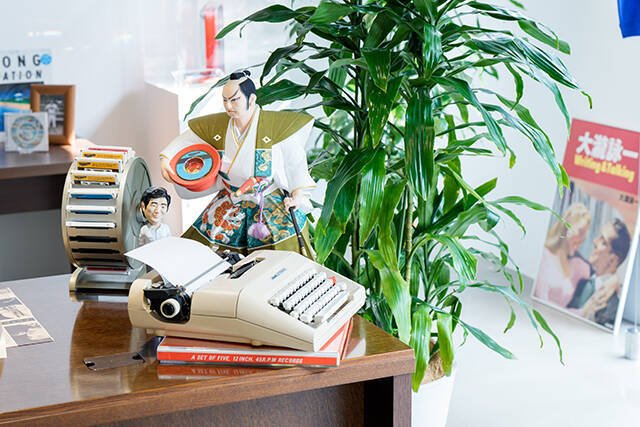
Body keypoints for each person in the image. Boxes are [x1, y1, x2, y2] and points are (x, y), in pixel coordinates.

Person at [159, 70, 315, 256]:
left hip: (267, 200)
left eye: (234, 100)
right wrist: (166, 159)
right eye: (225, 100)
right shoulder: (219, 126)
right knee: (209, 252)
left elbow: (295, 163)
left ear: (251, 99)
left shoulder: (274, 126)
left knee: (281, 255)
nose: (228, 106)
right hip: (231, 199)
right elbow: (187, 140)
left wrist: (297, 195)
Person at [566, 218, 631, 328]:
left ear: (613, 259)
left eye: (603, 241)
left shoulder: (613, 305)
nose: (595, 241)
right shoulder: (581, 281)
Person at [533, 203, 592, 307]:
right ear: (567, 225)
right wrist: (582, 312)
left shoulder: (579, 266)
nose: (582, 239)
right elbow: (541, 301)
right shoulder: (544, 256)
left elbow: (598, 278)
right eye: (581, 232)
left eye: (585, 236)